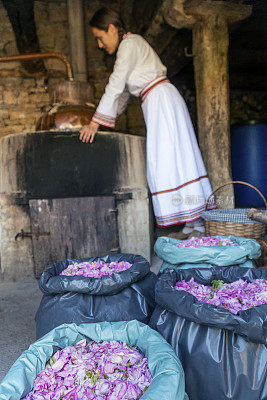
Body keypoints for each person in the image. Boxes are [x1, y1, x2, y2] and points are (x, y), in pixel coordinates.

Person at [80, 7, 214, 239]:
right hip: (157, 101)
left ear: (111, 29)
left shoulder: (129, 45)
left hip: (162, 100)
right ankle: (192, 223)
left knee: (173, 158)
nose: (100, 45)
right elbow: (122, 95)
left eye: (99, 38)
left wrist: (93, 123)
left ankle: (198, 223)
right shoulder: (131, 48)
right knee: (171, 159)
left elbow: (115, 83)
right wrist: (101, 122)